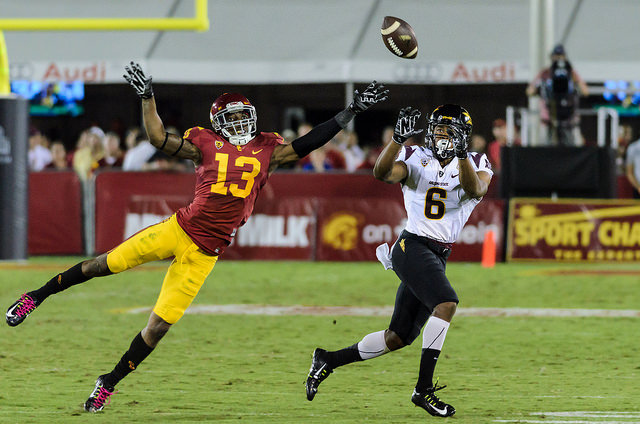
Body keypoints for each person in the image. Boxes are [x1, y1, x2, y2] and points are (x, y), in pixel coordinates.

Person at [5, 62, 388, 413]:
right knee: (103, 264)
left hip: (205, 254)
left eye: (243, 117)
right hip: (178, 229)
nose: (239, 123)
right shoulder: (203, 142)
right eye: (232, 117)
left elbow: (310, 142)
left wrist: (351, 111)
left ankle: (108, 382)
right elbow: (158, 138)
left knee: (157, 327)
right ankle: (34, 297)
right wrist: (147, 97)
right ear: (218, 122)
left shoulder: (266, 149)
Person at [305, 104, 493, 418]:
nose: (440, 136)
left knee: (398, 337)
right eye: (438, 129)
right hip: (412, 246)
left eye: (448, 131)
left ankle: (327, 360)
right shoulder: (416, 155)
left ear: (464, 135)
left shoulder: (475, 162)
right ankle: (423, 390)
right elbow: (381, 173)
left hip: (437, 253)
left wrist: (461, 155)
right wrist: (396, 140)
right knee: (446, 303)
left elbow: (477, 188)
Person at [526, 44, 589, 146]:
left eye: (561, 56)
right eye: (556, 55)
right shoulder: (545, 74)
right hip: (549, 119)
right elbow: (530, 91)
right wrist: (543, 88)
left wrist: (573, 85)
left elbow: (585, 91)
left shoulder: (571, 73)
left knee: (572, 149)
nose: (558, 58)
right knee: (546, 149)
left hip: (569, 119)